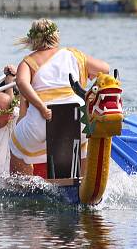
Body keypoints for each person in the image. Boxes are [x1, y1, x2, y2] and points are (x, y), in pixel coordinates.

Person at [11, 18, 110, 177]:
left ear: (33, 38)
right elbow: (105, 69)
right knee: (83, 142)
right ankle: (82, 183)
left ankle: (21, 187)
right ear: (56, 36)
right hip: (77, 116)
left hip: (42, 119)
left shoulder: (28, 61)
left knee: (14, 144)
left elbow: (21, 83)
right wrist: (87, 72)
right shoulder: (74, 55)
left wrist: (42, 108)